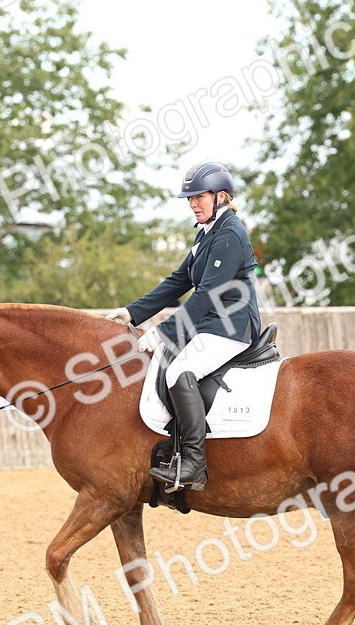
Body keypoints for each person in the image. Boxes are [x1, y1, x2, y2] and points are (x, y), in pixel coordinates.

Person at [104, 162, 261, 491]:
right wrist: (132, 313)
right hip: (209, 325)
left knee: (179, 372)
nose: (192, 204)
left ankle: (194, 464)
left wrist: (162, 332)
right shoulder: (207, 233)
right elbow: (179, 281)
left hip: (231, 327)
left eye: (199, 197)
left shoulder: (230, 235)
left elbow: (205, 295)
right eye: (190, 198)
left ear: (221, 197)